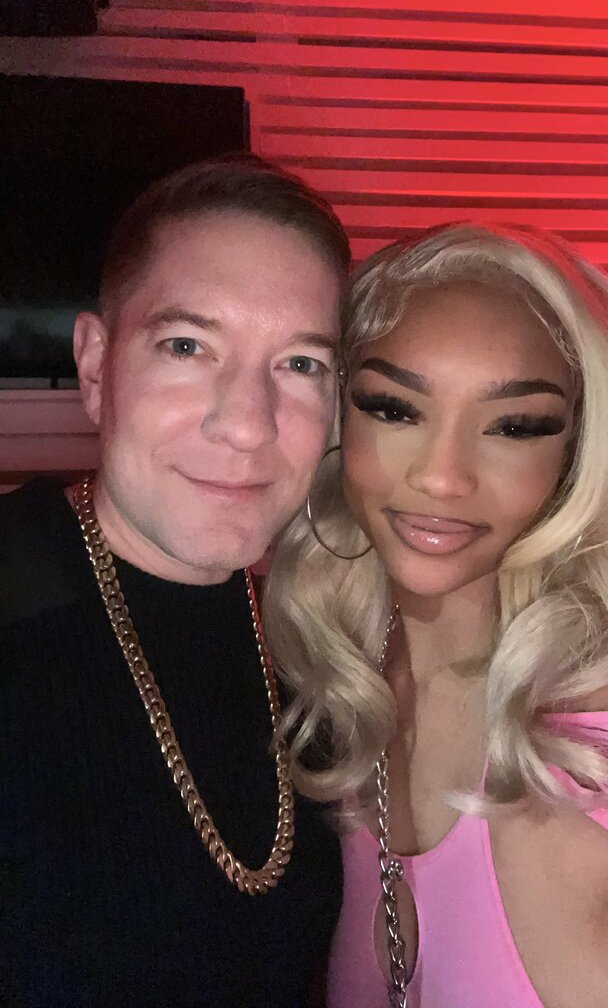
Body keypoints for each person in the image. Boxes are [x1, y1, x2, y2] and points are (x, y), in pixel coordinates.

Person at [0, 155, 351, 1008]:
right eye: (187, 346)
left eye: (301, 364)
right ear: (95, 366)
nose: (247, 425)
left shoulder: (317, 651)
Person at [264, 223, 608, 1008]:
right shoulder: (322, 681)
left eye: (514, 426)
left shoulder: (589, 750)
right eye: (395, 409)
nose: (443, 478)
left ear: (574, 454)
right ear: (337, 418)